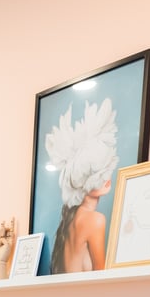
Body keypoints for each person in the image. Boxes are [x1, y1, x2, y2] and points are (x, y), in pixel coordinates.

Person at [45, 97, 118, 273]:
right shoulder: (95, 220)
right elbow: (102, 275)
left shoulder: (70, 220)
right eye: (96, 172)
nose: (106, 176)